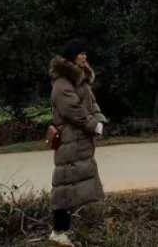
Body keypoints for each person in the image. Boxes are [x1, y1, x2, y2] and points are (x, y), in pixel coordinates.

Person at [48, 38, 107, 245]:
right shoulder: (62, 83)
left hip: (79, 141)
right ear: (72, 56)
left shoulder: (80, 81)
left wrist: (99, 119)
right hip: (69, 141)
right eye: (80, 53)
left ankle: (65, 231)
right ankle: (58, 232)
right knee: (65, 185)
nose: (85, 56)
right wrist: (92, 125)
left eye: (85, 53)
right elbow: (73, 110)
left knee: (74, 185)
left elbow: (92, 104)